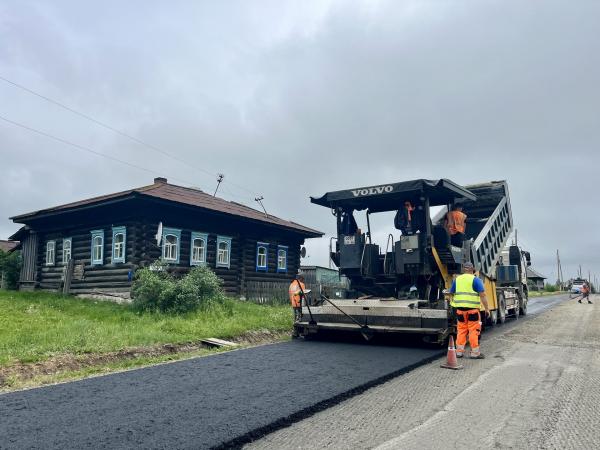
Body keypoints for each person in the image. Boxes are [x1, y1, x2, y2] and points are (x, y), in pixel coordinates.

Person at [447, 262, 490, 359]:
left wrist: (453, 304)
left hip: (460, 311)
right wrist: (487, 309)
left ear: (463, 270)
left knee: (461, 330)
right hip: (472, 311)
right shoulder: (475, 280)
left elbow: (451, 293)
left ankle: (459, 352)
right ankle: (475, 353)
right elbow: (482, 295)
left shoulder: (457, 280)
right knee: (473, 331)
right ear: (472, 270)